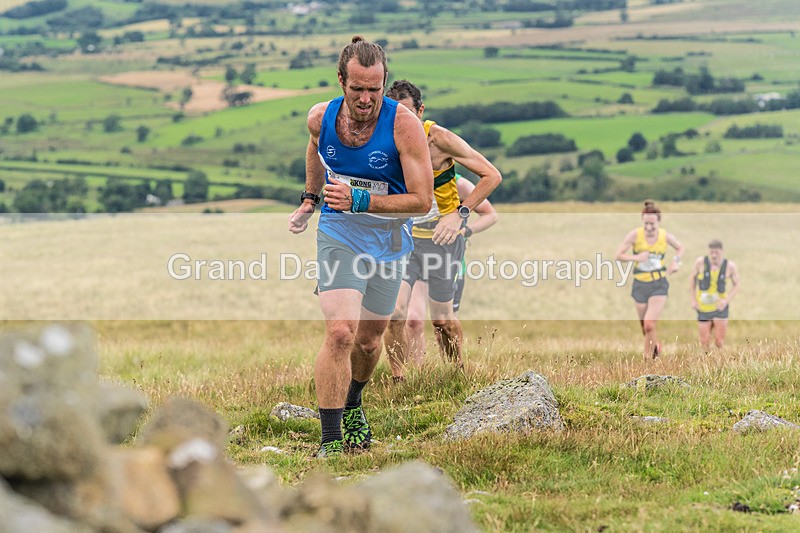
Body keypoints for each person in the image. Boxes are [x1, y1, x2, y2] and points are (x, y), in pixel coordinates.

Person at [288, 37, 433, 457]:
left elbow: (422, 200)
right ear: (341, 82)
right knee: (340, 332)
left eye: (375, 89)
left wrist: (362, 199)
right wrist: (310, 199)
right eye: (358, 89)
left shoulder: (403, 125)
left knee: (369, 343)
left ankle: (354, 401)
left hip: (389, 240)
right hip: (339, 233)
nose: (367, 99)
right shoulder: (321, 118)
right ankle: (331, 443)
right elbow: (315, 148)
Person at [382, 79, 502, 382]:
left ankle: (456, 373)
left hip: (443, 241)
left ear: (421, 111)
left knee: (441, 321)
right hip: (404, 240)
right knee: (395, 313)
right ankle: (400, 380)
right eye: (394, 115)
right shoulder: (383, 140)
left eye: (408, 114)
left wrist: (461, 215)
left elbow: (492, 175)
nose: (402, 122)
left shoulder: (440, 139)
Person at [615, 200, 684, 358]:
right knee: (645, 328)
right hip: (640, 283)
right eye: (646, 223)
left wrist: (676, 262)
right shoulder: (635, 235)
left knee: (649, 324)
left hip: (658, 283)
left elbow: (680, 248)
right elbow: (618, 256)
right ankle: (656, 348)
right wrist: (636, 257)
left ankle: (648, 360)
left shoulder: (664, 236)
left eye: (652, 223)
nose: (649, 227)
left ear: (658, 221)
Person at [689, 239, 739, 350]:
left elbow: (736, 284)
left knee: (719, 341)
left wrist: (726, 301)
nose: (714, 256)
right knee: (704, 341)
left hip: (720, 308)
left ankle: (719, 364)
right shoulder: (700, 262)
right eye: (711, 252)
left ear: (722, 251)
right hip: (703, 308)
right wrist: (693, 299)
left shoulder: (729, 266)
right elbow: (692, 278)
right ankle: (706, 364)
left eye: (717, 253)